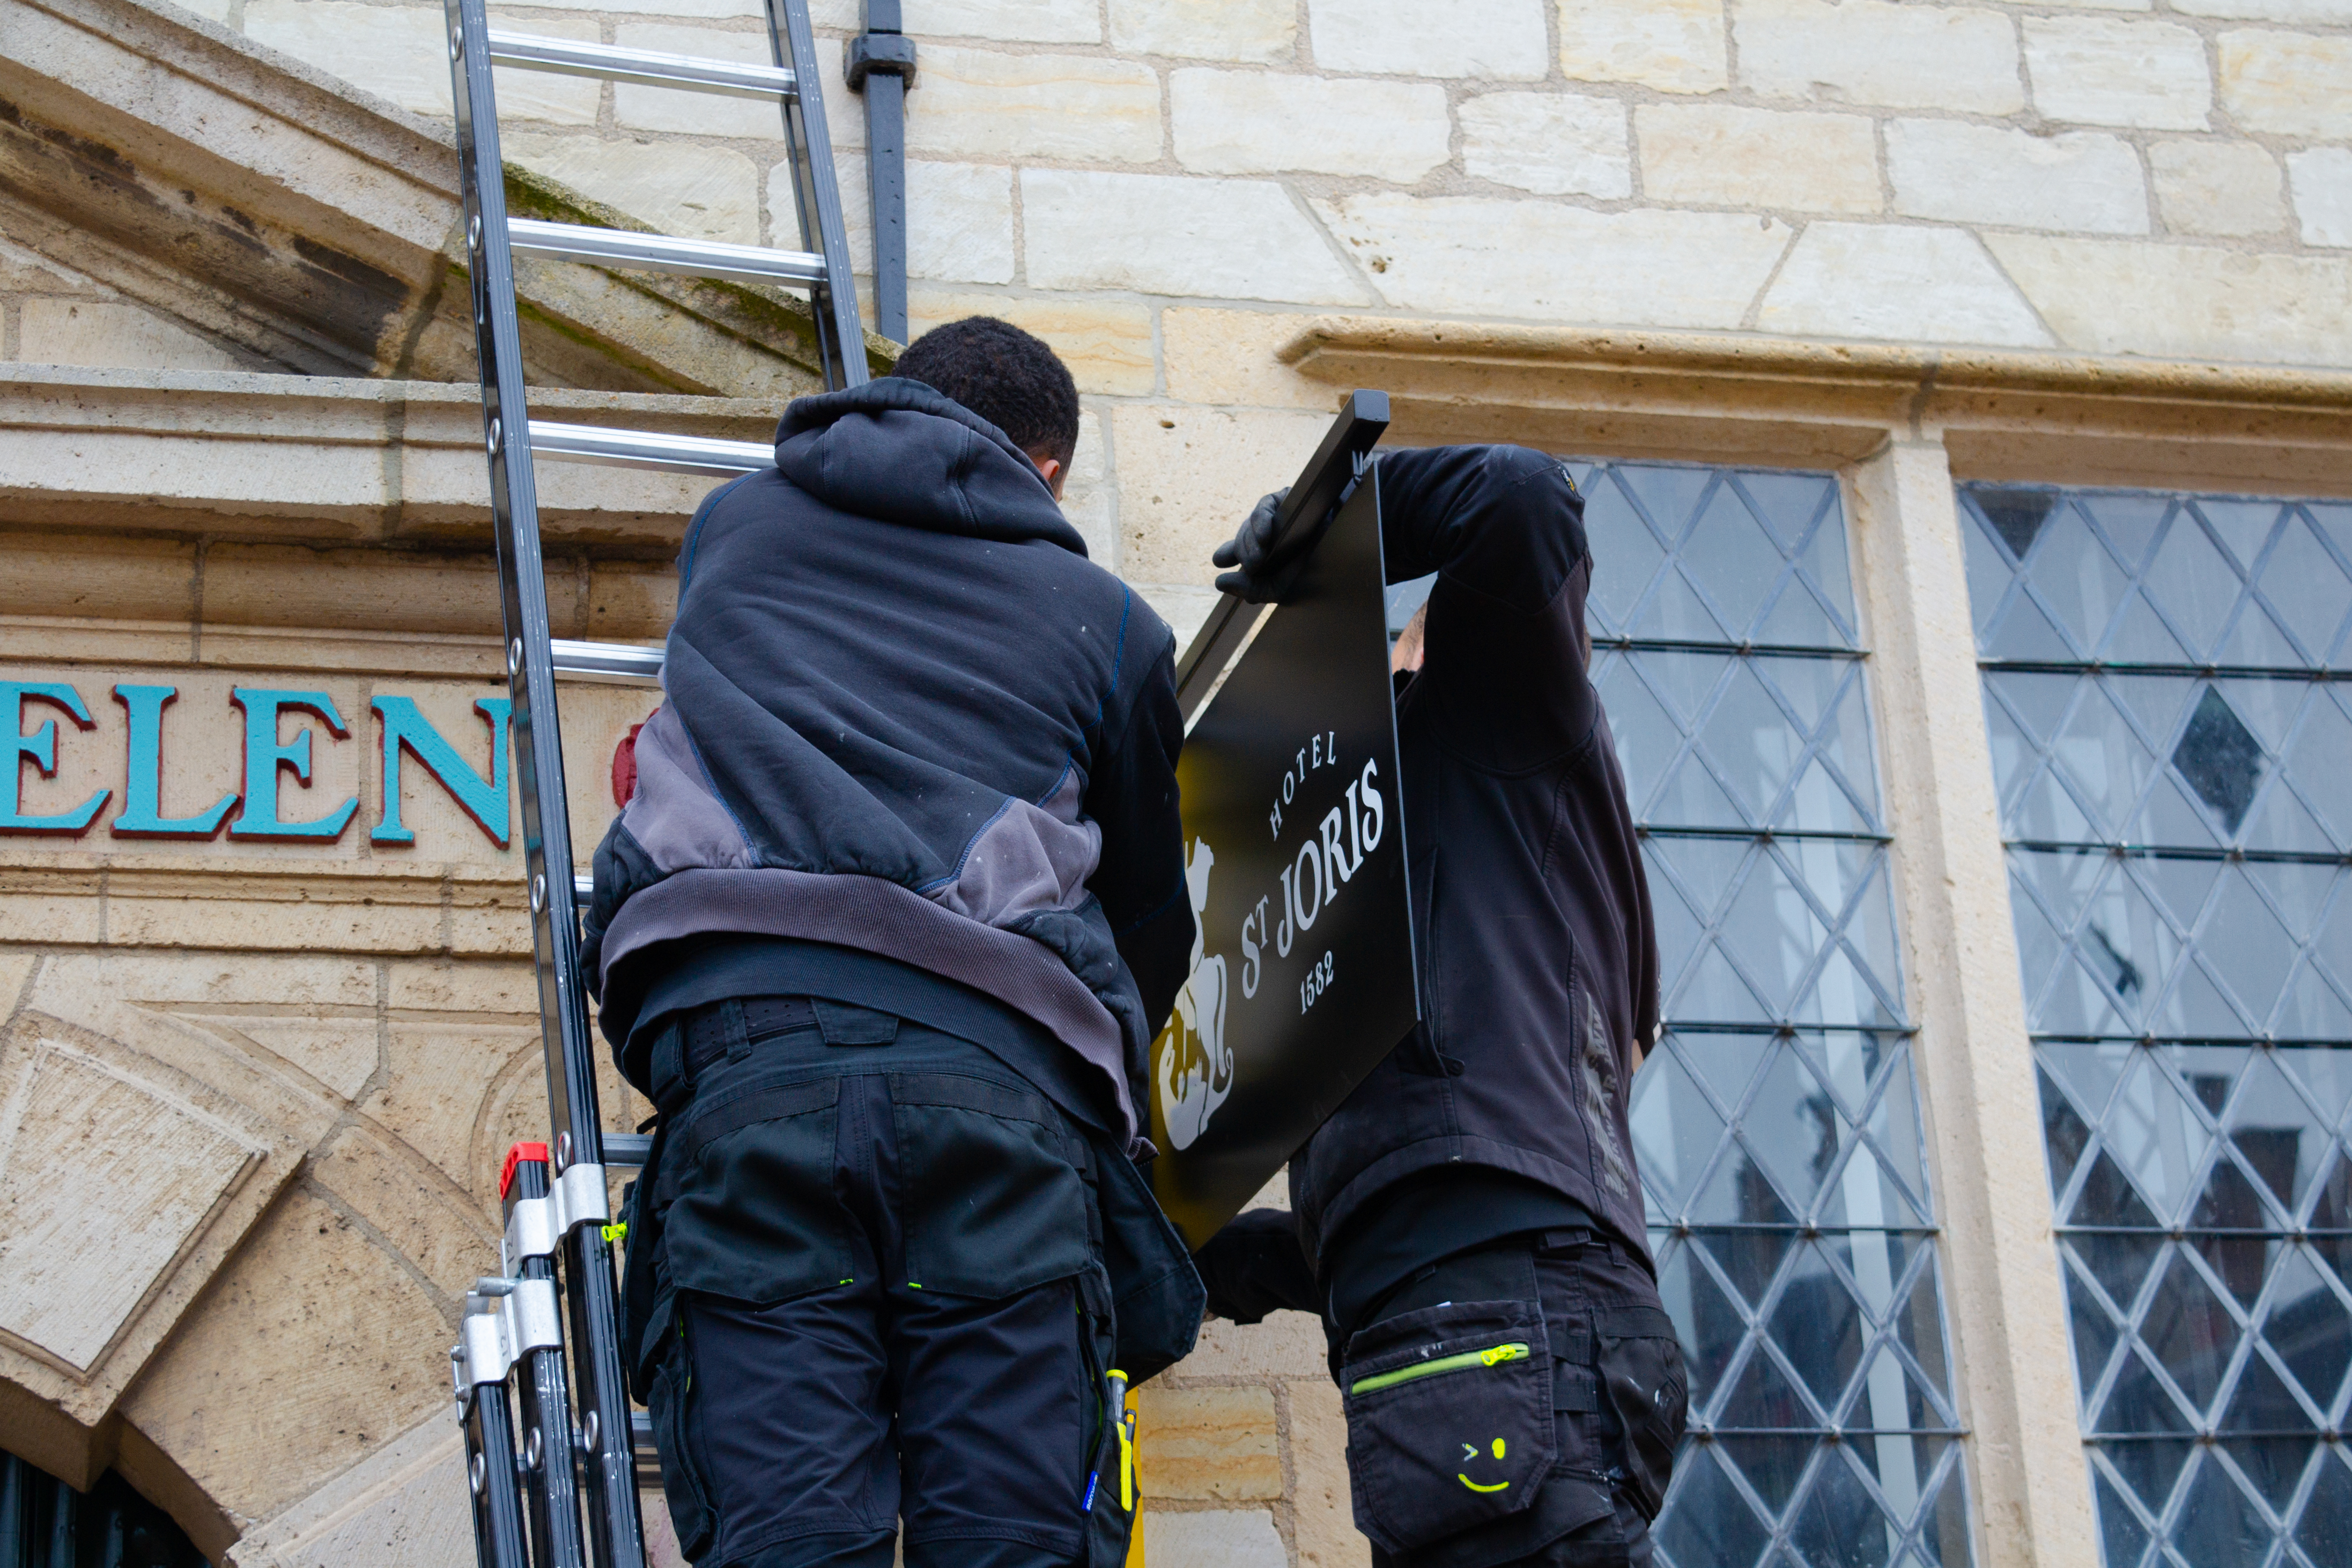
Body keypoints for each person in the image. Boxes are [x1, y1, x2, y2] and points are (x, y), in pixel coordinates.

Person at [583, 317, 1202, 1568]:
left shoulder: (734, 530)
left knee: (791, 1540)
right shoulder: (1113, 623)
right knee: (1015, 1540)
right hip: (996, 1084)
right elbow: (1149, 910)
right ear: (1046, 475)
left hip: (742, 1046)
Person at [1194, 446, 1686, 1567]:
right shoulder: (1482, 870)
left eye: (1393, 639)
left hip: (1502, 1325)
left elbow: (1517, 497)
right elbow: (1443, 1157)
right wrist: (1194, 1261)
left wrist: (1332, 531)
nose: (1369, 665)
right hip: (1498, 1319)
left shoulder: (1490, 715)